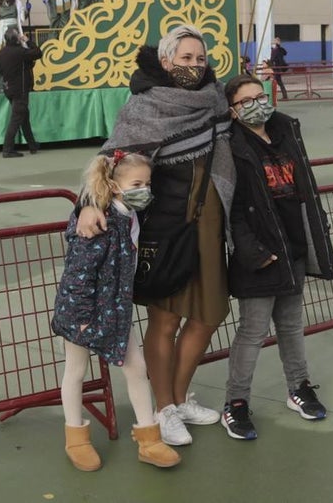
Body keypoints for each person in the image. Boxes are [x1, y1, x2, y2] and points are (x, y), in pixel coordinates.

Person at [76, 24, 234, 447]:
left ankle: (179, 400)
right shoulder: (144, 107)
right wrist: (91, 203)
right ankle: (163, 408)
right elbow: (111, 162)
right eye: (185, 59)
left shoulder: (215, 101)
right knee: (165, 321)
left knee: (208, 316)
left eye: (200, 59)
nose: (194, 67)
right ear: (165, 62)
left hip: (211, 228)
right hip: (165, 231)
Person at [220, 74, 333, 441]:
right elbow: (231, 210)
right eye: (246, 100)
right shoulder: (231, 147)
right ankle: (235, 403)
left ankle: (298, 387)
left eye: (260, 95)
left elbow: (306, 190)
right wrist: (254, 252)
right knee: (252, 331)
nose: (257, 103)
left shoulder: (286, 134)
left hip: (293, 248)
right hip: (259, 255)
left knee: (290, 324)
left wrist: (315, 229)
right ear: (233, 111)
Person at [51, 151, 181, 471]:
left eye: (147, 183)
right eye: (136, 183)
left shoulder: (133, 215)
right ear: (113, 183)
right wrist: (81, 318)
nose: (144, 190)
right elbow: (77, 275)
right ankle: (76, 438)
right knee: (76, 370)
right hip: (83, 311)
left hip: (116, 309)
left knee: (136, 368)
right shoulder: (98, 223)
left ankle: (149, 438)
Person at [0, 28, 42, 158]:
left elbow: (0, 70)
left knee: (24, 117)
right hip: (20, 90)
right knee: (16, 119)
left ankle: (32, 145)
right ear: (16, 39)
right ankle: (7, 149)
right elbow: (38, 53)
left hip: (9, 88)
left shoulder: (2, 52)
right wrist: (27, 41)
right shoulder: (20, 52)